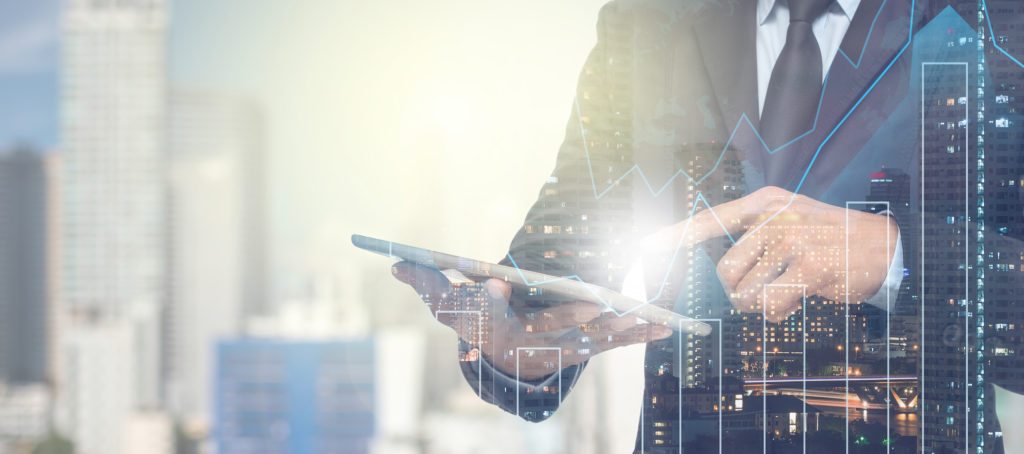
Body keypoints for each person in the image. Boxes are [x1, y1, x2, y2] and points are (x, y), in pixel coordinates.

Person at [391, 0, 1023, 451]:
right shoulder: (644, 24)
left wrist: (897, 259)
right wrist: (516, 353)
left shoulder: (1002, 25)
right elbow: (551, 276)